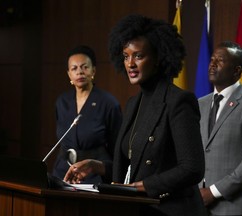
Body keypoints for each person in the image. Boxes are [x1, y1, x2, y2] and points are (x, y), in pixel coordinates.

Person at [64, 14, 206, 216]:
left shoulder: (179, 101)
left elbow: (192, 168)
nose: (130, 63)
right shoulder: (133, 104)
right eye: (125, 56)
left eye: (138, 56)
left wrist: (143, 186)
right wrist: (97, 167)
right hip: (139, 209)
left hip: (171, 210)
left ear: (158, 58)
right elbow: (135, 165)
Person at [198, 41, 242, 216]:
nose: (212, 64)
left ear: (237, 70)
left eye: (220, 60)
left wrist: (214, 191)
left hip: (234, 206)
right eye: (212, 59)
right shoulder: (200, 104)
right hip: (198, 205)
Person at [52, 45, 122, 184]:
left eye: (85, 67)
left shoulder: (108, 103)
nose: (80, 72)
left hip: (94, 174)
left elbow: (118, 148)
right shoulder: (62, 102)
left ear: (93, 70)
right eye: (74, 68)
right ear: (69, 74)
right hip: (63, 171)